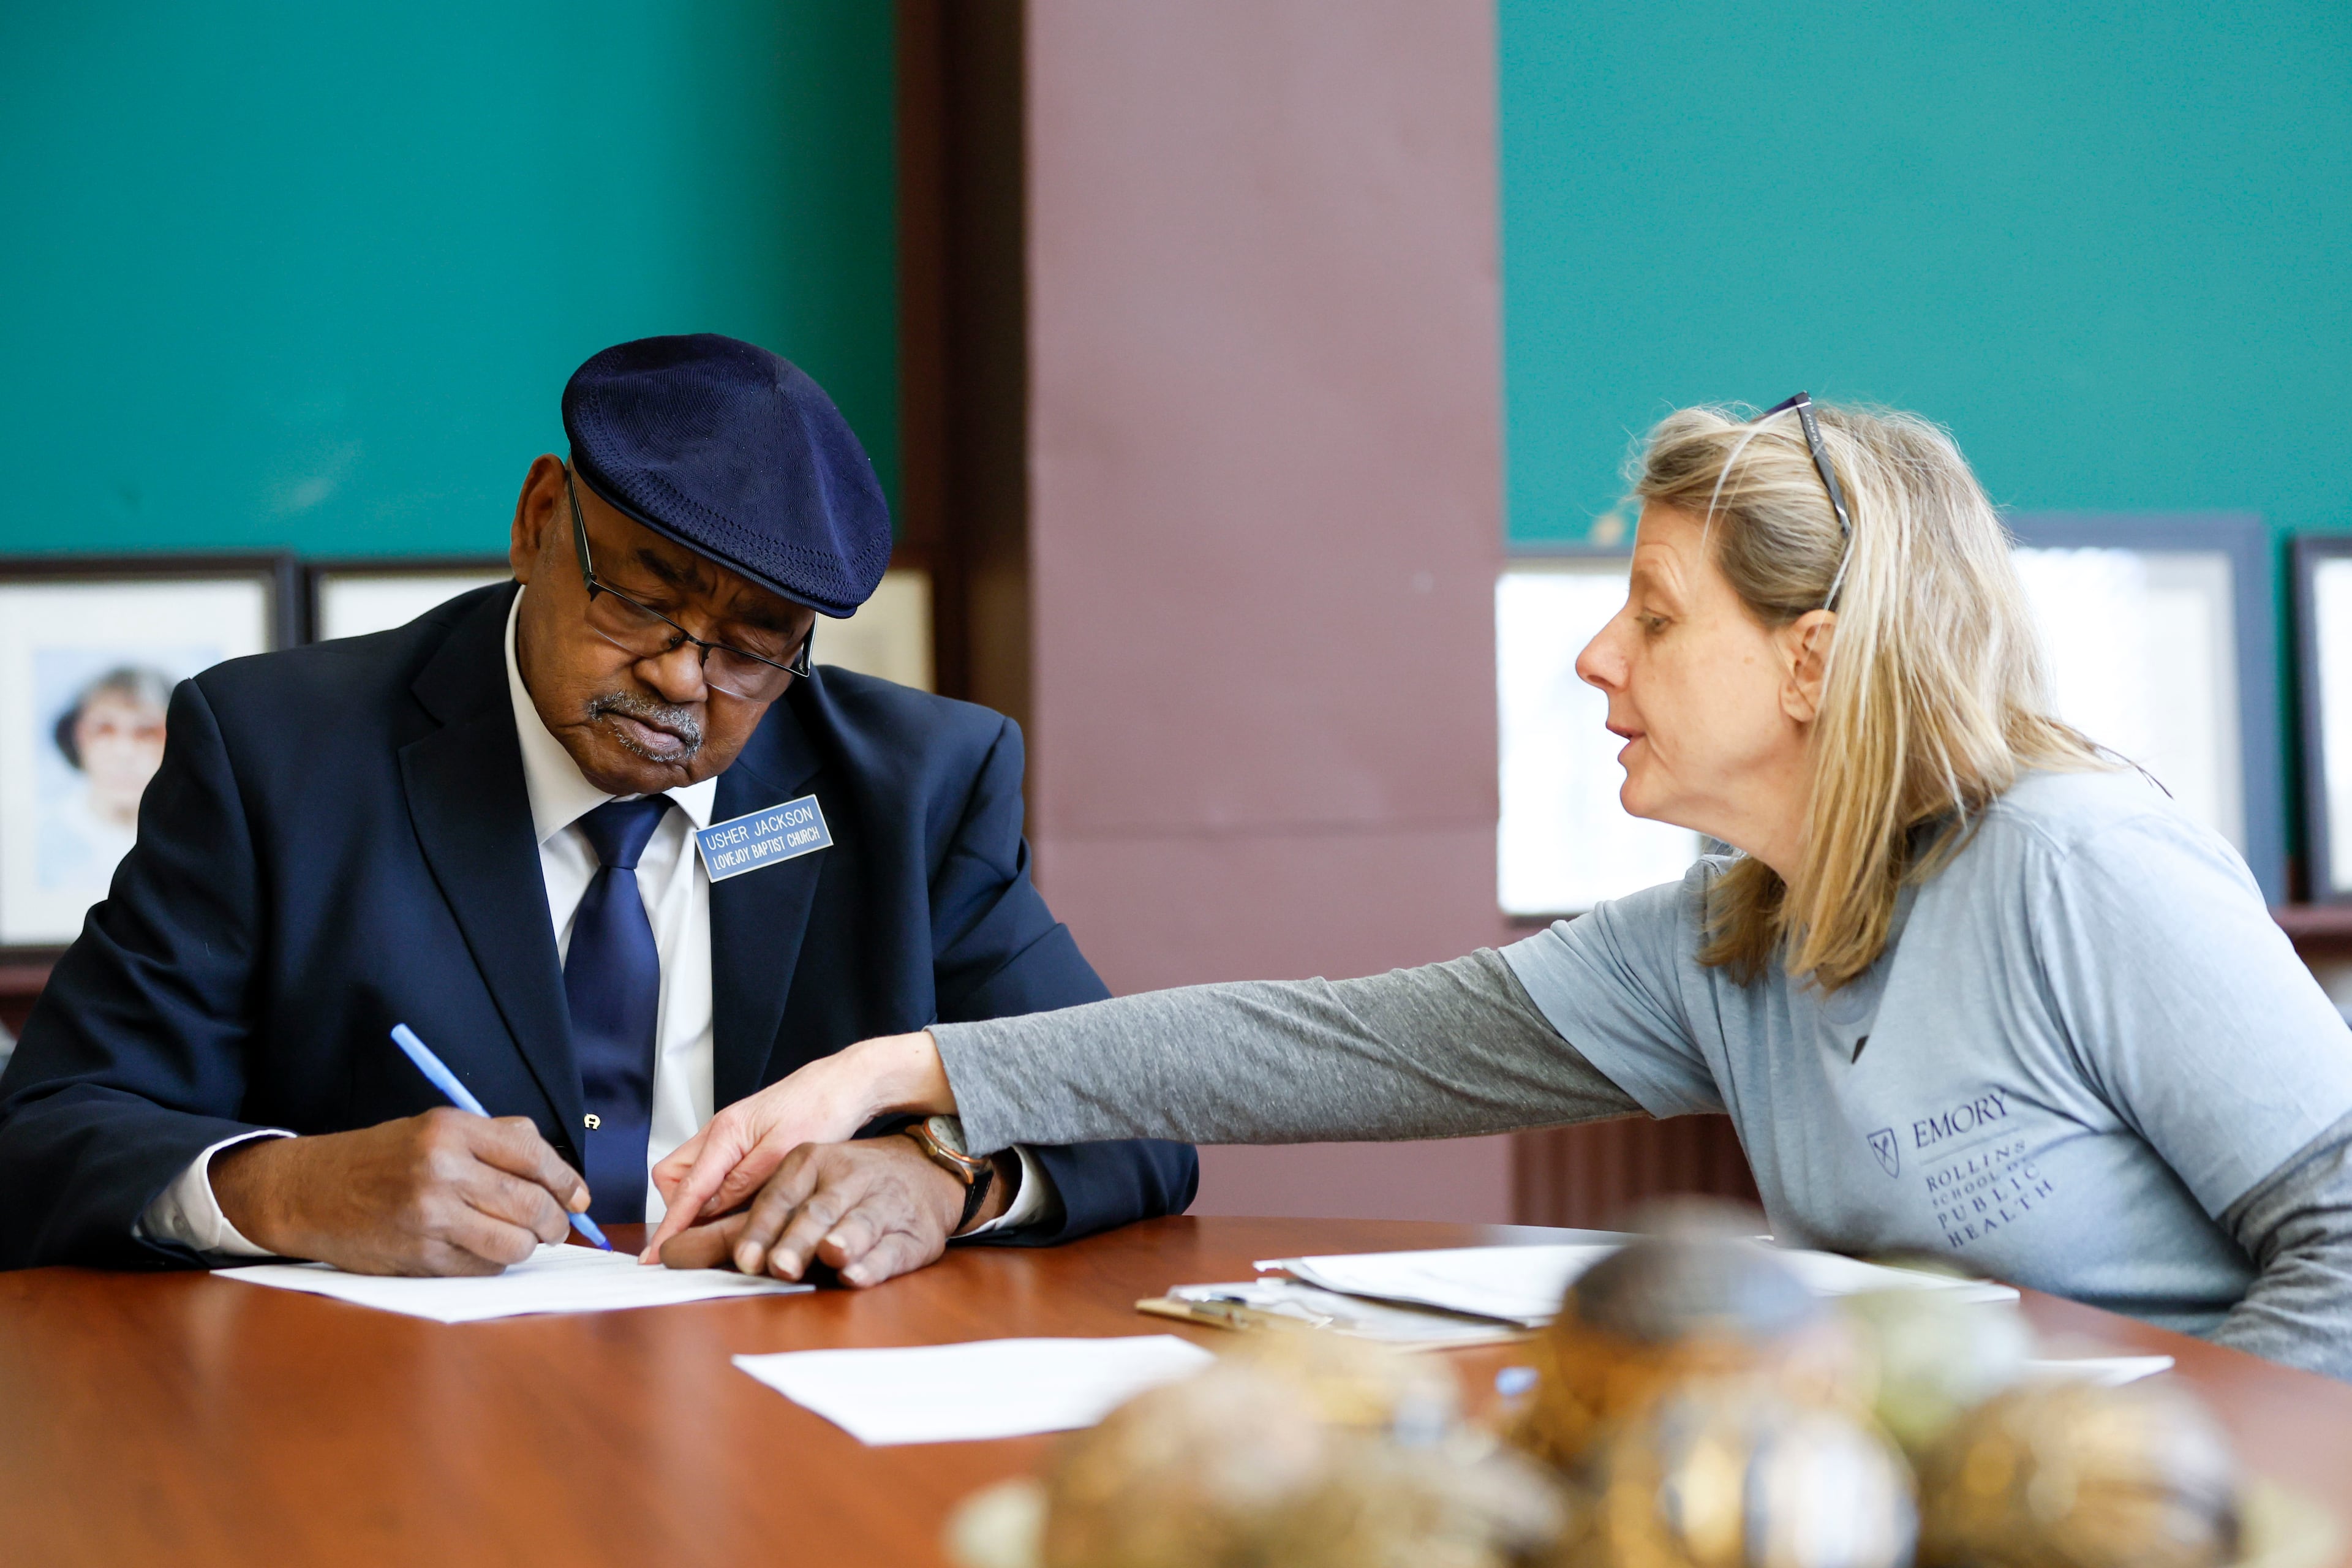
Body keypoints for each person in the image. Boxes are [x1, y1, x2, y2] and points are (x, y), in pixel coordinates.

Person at [645, 396, 2352, 1381]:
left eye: (1661, 618)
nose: (1602, 658)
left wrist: (2117, 1503)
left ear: (1819, 662)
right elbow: (1341, 1049)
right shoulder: (1729, 924)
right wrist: (909, 1070)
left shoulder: (2075, 865)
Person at [0, 333, 1193, 1277]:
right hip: (378, 1416)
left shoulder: (916, 785)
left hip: (786, 1407)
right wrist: (291, 1187)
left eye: (751, 648)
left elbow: (1133, 1116)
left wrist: (941, 1174)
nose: (683, 677)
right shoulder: (281, 755)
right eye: (641, 603)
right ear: (537, 522)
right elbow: (46, 1134)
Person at [38, 665, 173, 891]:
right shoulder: (41, 839)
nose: (124, 752)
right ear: (77, 738)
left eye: (147, 732)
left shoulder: (198, 839)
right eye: (103, 730)